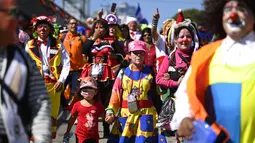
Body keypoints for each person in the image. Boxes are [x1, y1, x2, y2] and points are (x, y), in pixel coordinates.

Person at [171, 0, 255, 142]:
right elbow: (186, 94)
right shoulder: (204, 56)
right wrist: (185, 117)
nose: (233, 14)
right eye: (227, 9)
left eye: (241, 8)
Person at [0, 0, 51, 142]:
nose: (17, 21)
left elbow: (40, 103)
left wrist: (42, 138)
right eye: (12, 14)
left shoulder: (23, 59)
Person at [105, 40, 167, 143]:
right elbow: (115, 94)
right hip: (126, 115)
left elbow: (160, 91)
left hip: (146, 114)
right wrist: (110, 111)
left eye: (141, 53)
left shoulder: (151, 72)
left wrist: (163, 80)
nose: (138, 55)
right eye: (135, 53)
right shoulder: (123, 72)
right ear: (129, 55)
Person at [26, 15, 70, 139]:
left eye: (45, 26)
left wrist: (61, 80)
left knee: (52, 113)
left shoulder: (58, 44)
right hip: (35, 84)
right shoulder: (29, 45)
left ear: (50, 29)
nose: (43, 29)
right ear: (35, 30)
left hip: (53, 84)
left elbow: (67, 63)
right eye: (40, 26)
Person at [81, 18, 125, 138]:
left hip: (107, 75)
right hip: (91, 74)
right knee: (91, 101)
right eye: (96, 27)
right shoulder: (91, 40)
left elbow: (123, 56)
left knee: (106, 101)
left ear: (106, 29)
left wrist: (115, 55)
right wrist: (93, 37)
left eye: (101, 28)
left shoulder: (112, 42)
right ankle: (91, 128)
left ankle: (106, 129)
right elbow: (83, 50)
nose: (99, 30)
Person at [63, 77, 104, 143]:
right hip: (80, 136)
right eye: (85, 89)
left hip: (94, 137)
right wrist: (67, 132)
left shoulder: (99, 106)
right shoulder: (77, 105)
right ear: (80, 91)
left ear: (96, 91)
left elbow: (104, 118)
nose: (88, 92)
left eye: (90, 89)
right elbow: (72, 118)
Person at [59, 18, 86, 108]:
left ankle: (75, 110)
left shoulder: (82, 38)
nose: (73, 25)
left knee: (76, 91)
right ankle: (64, 107)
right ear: (68, 25)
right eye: (71, 24)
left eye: (75, 24)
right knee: (60, 90)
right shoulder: (62, 37)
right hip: (64, 69)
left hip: (77, 69)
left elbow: (87, 51)